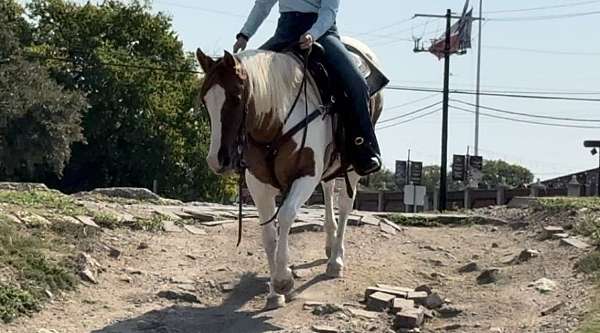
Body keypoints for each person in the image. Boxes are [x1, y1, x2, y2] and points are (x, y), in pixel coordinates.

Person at [233, 0, 382, 176]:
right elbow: (263, 4)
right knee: (244, 80)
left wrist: (313, 33)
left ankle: (364, 148)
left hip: (322, 32)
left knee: (356, 82)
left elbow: (329, 11)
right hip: (285, 32)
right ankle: (237, 150)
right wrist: (244, 34)